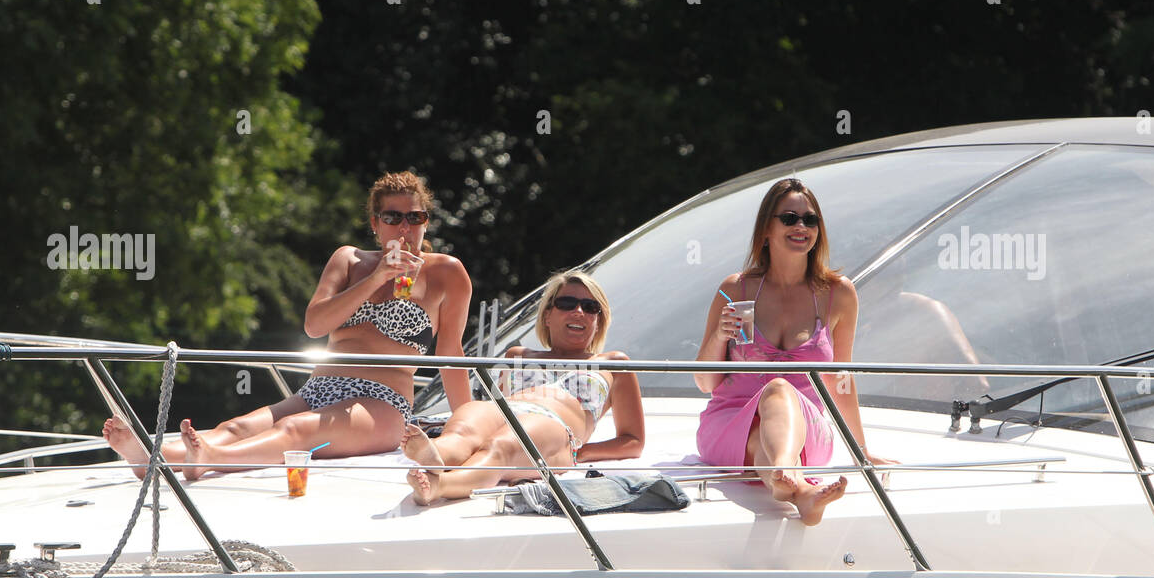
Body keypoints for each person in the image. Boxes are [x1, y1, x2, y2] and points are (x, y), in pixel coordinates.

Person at [103, 171, 473, 479]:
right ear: (376, 224)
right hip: (320, 388)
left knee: (294, 431)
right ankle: (151, 456)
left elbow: (451, 355)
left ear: (426, 222)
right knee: (237, 428)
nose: (404, 228)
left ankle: (208, 458)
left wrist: (467, 430)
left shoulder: (447, 273)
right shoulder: (349, 260)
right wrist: (377, 277)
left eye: (415, 217)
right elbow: (315, 324)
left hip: (382, 403)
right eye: (393, 218)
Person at [694, 177, 893, 526]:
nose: (801, 226)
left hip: (806, 428)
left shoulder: (837, 293)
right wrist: (717, 339)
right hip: (729, 419)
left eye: (810, 219)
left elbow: (840, 379)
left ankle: (789, 480)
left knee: (777, 401)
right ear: (766, 229)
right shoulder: (736, 288)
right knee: (771, 408)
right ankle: (800, 488)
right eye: (789, 218)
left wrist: (861, 451)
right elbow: (706, 382)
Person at [402, 271, 644, 504]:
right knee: (463, 430)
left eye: (590, 307)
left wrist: (582, 453)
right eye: (567, 303)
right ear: (548, 315)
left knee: (503, 445)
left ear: (598, 320)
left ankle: (441, 485)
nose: (579, 311)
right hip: (505, 409)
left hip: (554, 424)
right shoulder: (517, 355)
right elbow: (495, 419)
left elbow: (633, 441)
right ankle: (435, 454)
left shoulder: (612, 363)